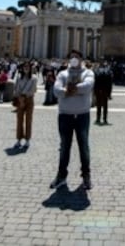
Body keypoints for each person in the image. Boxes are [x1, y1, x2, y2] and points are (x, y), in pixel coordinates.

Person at [50, 50, 94, 190]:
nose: (74, 59)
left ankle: (86, 176)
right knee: (64, 147)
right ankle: (61, 176)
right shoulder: (62, 74)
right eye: (72, 57)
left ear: (81, 59)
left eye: (77, 57)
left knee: (84, 147)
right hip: (65, 115)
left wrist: (68, 91)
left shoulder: (88, 72)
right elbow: (56, 91)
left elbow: (87, 87)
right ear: (68, 59)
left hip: (82, 115)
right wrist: (73, 91)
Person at [13, 62, 37, 149]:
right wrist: (19, 97)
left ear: (30, 68)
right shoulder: (19, 77)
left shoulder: (34, 78)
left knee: (28, 120)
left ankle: (27, 140)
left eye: (27, 67)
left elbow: (33, 89)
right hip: (20, 100)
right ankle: (18, 139)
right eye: (24, 67)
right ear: (22, 68)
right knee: (19, 120)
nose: (26, 68)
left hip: (29, 99)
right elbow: (16, 88)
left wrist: (24, 96)